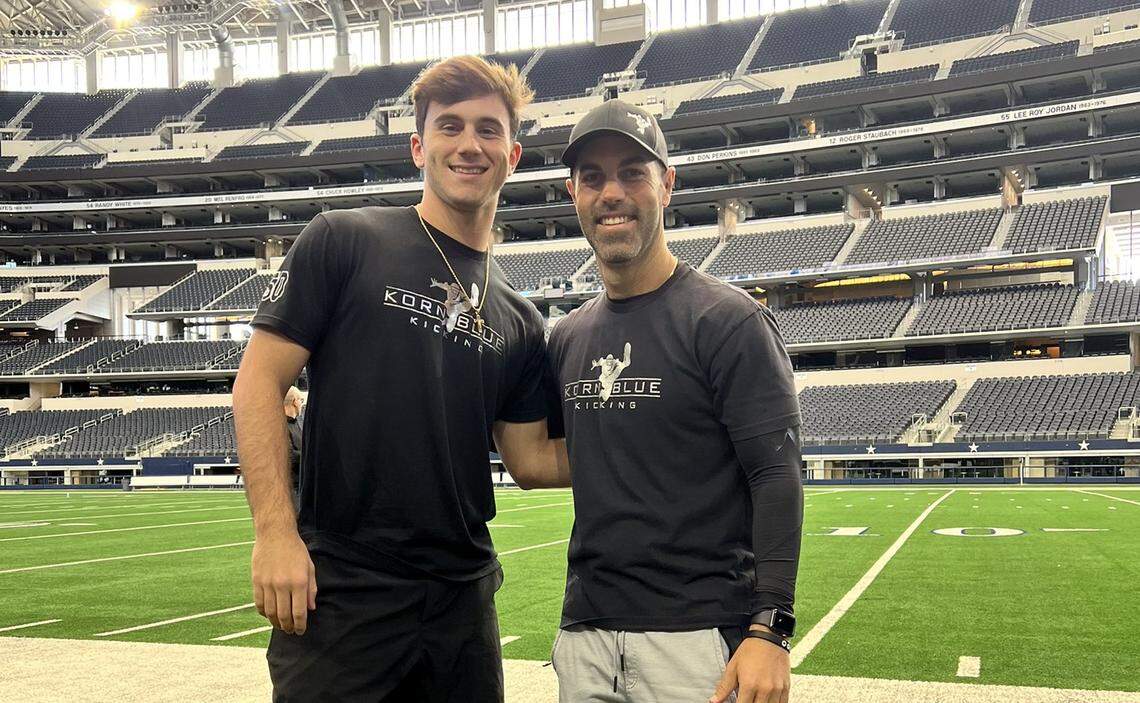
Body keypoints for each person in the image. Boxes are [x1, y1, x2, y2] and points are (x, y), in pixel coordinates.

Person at [233, 55, 568, 703]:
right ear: (419, 146)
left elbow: (532, 458)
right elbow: (258, 382)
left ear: (514, 154)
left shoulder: (519, 318)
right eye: (449, 126)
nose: (469, 143)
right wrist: (275, 533)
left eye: (488, 130)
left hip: (464, 605)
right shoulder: (344, 239)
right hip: (346, 592)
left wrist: (666, 429)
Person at [546, 99, 804, 703]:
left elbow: (776, 474)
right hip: (586, 635)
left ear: (667, 186)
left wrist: (771, 626)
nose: (611, 192)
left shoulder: (727, 319)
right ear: (573, 193)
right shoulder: (567, 336)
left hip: (699, 637)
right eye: (593, 177)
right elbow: (551, 457)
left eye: (633, 172)